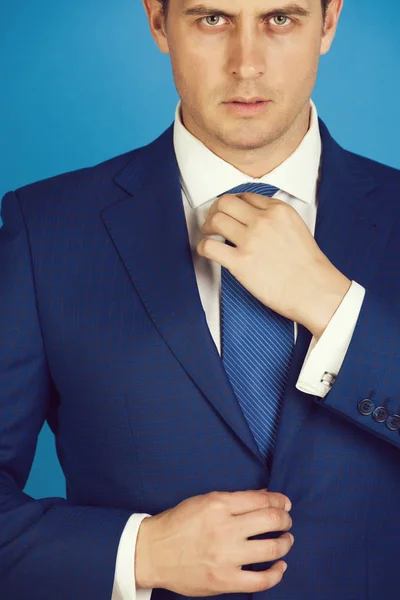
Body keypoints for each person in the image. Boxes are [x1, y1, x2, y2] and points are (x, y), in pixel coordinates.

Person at [1, 0, 399, 598]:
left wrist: (337, 310)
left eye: (280, 19)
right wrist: (139, 552)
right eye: (212, 19)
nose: (247, 65)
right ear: (159, 22)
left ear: (330, 21)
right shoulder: (45, 230)